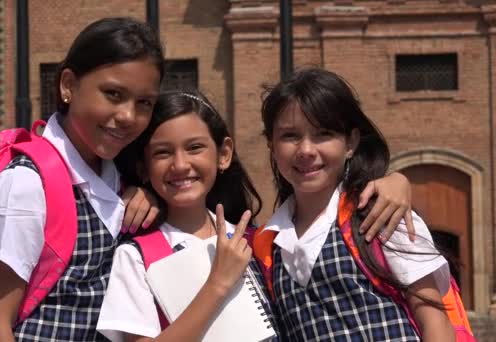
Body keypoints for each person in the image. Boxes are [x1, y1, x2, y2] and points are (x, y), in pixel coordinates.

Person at [97, 90, 417, 341]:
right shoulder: (135, 256)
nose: (180, 165)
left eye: (195, 148)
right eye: (162, 153)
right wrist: (218, 284)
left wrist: (395, 181)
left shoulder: (263, 242)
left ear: (223, 154)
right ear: (143, 167)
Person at [0, 17, 164, 341]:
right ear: (68, 86)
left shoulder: (119, 180)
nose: (128, 116)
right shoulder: (27, 183)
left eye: (144, 103)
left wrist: (148, 196)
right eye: (113, 94)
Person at [259, 67, 454, 341]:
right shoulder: (269, 247)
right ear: (272, 145)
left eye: (323, 134)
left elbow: (437, 325)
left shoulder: (381, 215)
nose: (306, 150)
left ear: (350, 142)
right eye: (290, 136)